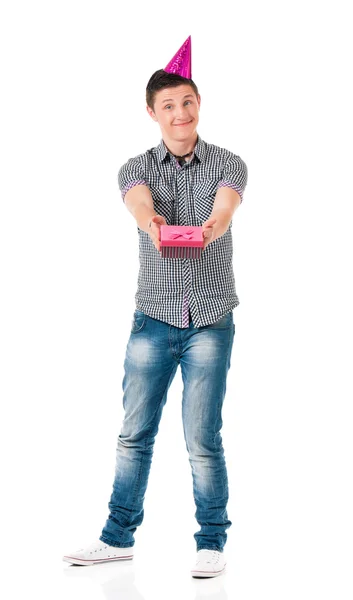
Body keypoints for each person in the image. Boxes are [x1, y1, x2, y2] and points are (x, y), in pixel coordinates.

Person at [63, 36, 248, 578]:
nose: (180, 112)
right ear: (152, 113)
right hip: (152, 320)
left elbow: (227, 206)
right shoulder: (134, 167)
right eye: (168, 105)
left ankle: (211, 541)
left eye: (187, 101)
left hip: (210, 321)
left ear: (199, 105)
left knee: (201, 437)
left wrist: (213, 226)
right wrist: (154, 224)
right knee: (133, 433)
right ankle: (117, 538)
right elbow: (139, 203)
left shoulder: (229, 162)